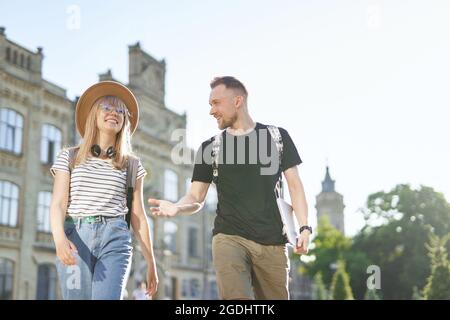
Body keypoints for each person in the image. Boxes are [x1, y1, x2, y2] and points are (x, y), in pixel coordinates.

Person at [149, 76, 311, 300]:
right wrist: (177, 207)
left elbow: (295, 185)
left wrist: (304, 228)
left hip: (273, 241)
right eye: (209, 105)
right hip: (229, 238)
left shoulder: (277, 138)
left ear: (238, 101)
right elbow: (196, 196)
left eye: (216, 103)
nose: (211, 111)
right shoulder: (209, 149)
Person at [50, 81, 158, 300]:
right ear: (94, 115)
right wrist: (59, 239)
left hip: (116, 239)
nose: (114, 113)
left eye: (120, 110)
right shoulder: (69, 157)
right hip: (76, 237)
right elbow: (58, 204)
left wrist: (151, 262)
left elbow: (138, 216)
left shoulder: (132, 165)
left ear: (125, 121)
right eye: (107, 107)